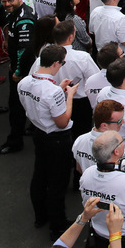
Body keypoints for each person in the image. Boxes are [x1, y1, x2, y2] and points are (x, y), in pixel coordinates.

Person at [20, 44, 80, 237]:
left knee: (40, 175)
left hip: (39, 132)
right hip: (57, 138)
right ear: (56, 63)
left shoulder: (25, 82)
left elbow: (36, 102)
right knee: (58, 181)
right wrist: (68, 96)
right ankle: (58, 224)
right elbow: (62, 122)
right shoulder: (52, 92)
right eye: (62, 63)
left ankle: (40, 216)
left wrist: (59, 89)